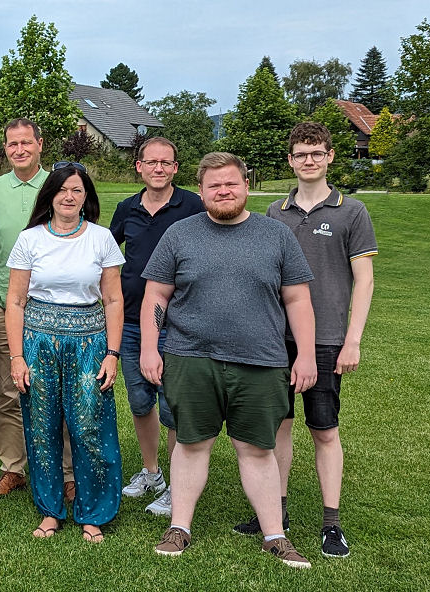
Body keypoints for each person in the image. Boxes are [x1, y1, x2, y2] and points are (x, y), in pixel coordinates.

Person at [143, 152, 318, 569]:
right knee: (191, 443)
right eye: (214, 186)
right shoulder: (179, 235)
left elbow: (297, 299)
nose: (224, 191)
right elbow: (156, 295)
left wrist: (306, 354)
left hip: (260, 360)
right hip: (190, 358)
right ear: (201, 192)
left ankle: (275, 535)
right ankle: (179, 527)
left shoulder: (276, 235)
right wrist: (150, 348)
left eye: (231, 183)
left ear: (245, 185)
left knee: (257, 448)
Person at [236, 122, 377, 558]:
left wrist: (353, 339)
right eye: (301, 154)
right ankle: (275, 516)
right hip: (276, 340)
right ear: (291, 160)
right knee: (279, 427)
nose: (309, 160)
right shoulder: (275, 213)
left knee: (324, 430)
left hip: (328, 338)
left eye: (316, 152)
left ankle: (331, 524)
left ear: (330, 156)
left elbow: (365, 280)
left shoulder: (352, 212)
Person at [4, 163, 125, 543]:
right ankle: (51, 511)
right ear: (50, 196)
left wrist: (112, 353)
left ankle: (93, 512)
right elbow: (16, 301)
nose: (69, 197)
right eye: (62, 190)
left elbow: (113, 299)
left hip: (90, 343)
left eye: (76, 190)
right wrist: (17, 357)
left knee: (90, 426)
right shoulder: (31, 239)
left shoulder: (102, 239)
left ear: (86, 195)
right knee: (42, 427)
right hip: (38, 343)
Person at [109, 137, 205, 516]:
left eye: (166, 163)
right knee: (139, 400)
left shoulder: (192, 207)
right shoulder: (126, 208)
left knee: (173, 406)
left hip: (179, 322)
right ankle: (152, 473)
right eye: (151, 162)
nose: (158, 169)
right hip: (131, 321)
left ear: (176, 168)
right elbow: (104, 250)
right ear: (139, 166)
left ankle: (178, 485)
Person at [0, 118, 75, 501]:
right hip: (7, 307)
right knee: (7, 391)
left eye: (26, 143)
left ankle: (67, 472)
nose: (19, 150)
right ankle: (13, 467)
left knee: (62, 391)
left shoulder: (60, 186)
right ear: (5, 149)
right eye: (11, 144)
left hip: (56, 308)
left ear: (40, 144)